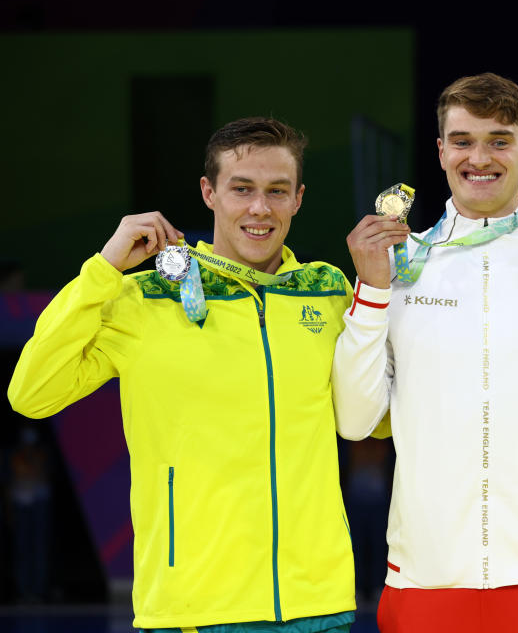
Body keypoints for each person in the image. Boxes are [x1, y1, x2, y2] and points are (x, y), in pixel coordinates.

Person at [8, 117, 356, 632]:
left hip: (317, 607)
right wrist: (103, 269)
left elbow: (382, 415)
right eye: (242, 189)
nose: (260, 209)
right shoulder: (147, 300)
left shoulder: (326, 295)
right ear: (208, 192)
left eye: (277, 191)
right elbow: (31, 392)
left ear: (298, 198)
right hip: (192, 610)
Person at [332, 72, 518, 633]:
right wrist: (370, 289)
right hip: (426, 577)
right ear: (441, 151)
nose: (481, 157)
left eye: (499, 139)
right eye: (464, 140)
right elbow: (354, 420)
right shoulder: (395, 267)